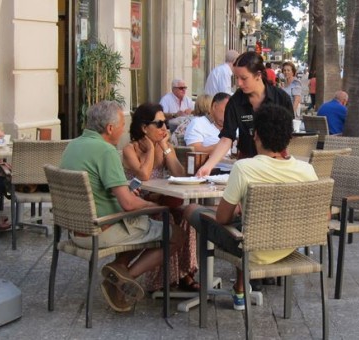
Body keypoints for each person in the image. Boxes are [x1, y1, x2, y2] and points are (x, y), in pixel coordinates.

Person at [184, 104, 318, 310]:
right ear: (289, 138)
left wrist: (234, 208)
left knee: (193, 210)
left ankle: (198, 280)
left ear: (255, 135)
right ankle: (240, 289)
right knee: (246, 221)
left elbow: (222, 220)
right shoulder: (307, 170)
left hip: (253, 250)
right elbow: (322, 216)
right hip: (288, 246)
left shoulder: (244, 168)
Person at [60, 100, 184, 312]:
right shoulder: (106, 151)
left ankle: (119, 270)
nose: (124, 130)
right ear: (109, 128)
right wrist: (154, 205)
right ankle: (123, 279)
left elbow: (96, 185)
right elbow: (128, 203)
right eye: (121, 125)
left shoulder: (73, 145)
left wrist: (125, 188)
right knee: (174, 234)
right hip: (102, 230)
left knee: (146, 223)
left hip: (75, 231)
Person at [121, 102, 199, 292]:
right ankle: (163, 280)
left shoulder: (164, 147)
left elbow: (180, 175)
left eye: (165, 123)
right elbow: (144, 176)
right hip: (141, 205)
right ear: (143, 127)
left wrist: (165, 147)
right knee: (168, 219)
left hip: (162, 200)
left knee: (188, 217)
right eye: (159, 124)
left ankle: (185, 273)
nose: (165, 128)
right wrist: (149, 150)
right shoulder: (130, 150)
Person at [195, 51, 293, 177]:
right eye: (236, 78)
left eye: (244, 78)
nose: (239, 83)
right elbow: (226, 138)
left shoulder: (280, 98)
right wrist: (208, 166)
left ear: (258, 75)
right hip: (247, 162)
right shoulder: (235, 101)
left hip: (277, 162)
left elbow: (290, 135)